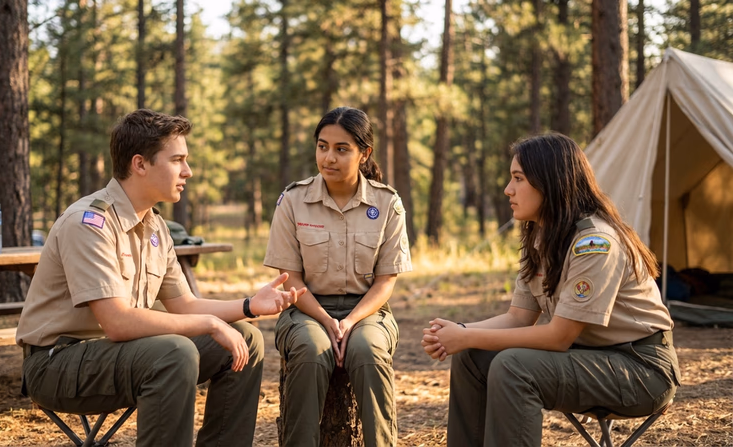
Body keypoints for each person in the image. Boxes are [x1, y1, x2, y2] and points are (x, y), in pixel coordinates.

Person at [16, 109, 306, 447]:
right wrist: (211, 324)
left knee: (247, 339)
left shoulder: (155, 226)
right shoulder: (89, 223)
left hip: (120, 354)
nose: (188, 171)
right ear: (140, 164)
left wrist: (249, 306)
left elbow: (184, 304)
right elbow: (117, 323)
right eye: (177, 160)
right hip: (57, 364)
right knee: (175, 352)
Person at [421, 133, 681, 447]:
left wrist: (466, 335)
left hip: (641, 369)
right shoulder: (541, 238)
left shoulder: (594, 244)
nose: (508, 189)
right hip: (590, 357)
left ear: (550, 182)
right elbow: (518, 318)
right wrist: (459, 333)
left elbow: (559, 337)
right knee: (472, 357)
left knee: (512, 367)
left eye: (518, 178)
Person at [264, 106, 413, 446]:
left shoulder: (387, 204)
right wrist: (328, 321)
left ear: (364, 154)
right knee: (310, 349)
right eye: (322, 146)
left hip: (368, 311)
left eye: (342, 149)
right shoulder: (294, 201)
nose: (329, 157)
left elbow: (385, 282)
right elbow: (291, 278)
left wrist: (349, 322)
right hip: (305, 309)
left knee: (369, 351)